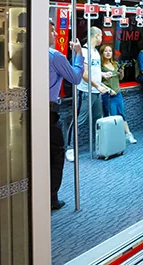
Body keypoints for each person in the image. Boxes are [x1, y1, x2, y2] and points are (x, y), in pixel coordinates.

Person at [48, 20, 85, 211]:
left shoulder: (23, 53)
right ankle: (51, 197)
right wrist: (78, 54)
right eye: (52, 31)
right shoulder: (55, 57)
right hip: (48, 113)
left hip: (26, 113)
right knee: (55, 155)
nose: (55, 35)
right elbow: (76, 77)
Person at [66, 26, 111, 162]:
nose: (102, 39)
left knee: (98, 119)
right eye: (101, 36)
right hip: (85, 91)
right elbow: (84, 73)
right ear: (96, 36)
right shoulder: (84, 52)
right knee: (79, 120)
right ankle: (70, 148)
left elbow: (94, 71)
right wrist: (98, 85)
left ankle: (99, 146)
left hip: (96, 91)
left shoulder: (96, 52)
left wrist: (102, 75)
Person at [99, 44, 137, 144]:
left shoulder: (115, 64)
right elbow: (98, 81)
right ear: (102, 53)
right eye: (105, 51)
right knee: (112, 116)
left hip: (118, 93)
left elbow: (120, 78)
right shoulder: (100, 67)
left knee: (122, 114)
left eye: (110, 51)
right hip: (108, 95)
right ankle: (114, 138)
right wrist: (108, 89)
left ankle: (128, 134)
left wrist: (121, 72)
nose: (108, 53)